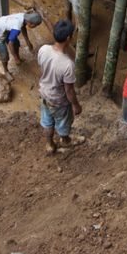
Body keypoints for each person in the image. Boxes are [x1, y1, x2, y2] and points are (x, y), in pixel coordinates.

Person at [37, 19, 84, 154]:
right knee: (63, 122)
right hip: (59, 100)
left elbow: (42, 68)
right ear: (69, 38)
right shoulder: (67, 64)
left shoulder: (43, 49)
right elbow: (69, 90)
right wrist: (76, 105)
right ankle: (65, 140)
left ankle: (49, 144)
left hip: (44, 93)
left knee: (48, 121)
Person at [0, 11, 42, 77]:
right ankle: (6, 71)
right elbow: (10, 44)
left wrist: (28, 42)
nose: (35, 27)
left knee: (16, 44)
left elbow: (23, 27)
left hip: (3, 28)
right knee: (4, 54)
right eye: (35, 25)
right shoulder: (17, 27)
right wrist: (15, 58)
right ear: (30, 23)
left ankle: (18, 58)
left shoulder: (24, 17)